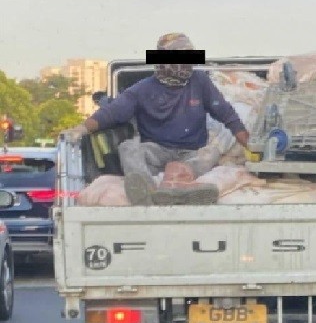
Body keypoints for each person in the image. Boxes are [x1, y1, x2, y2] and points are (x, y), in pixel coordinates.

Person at [64, 33, 250, 205]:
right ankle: (146, 191)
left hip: (191, 153)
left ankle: (181, 188)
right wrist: (81, 129)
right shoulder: (143, 89)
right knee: (128, 148)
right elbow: (110, 113)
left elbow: (227, 114)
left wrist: (250, 144)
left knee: (211, 153)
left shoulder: (200, 81)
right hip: (156, 151)